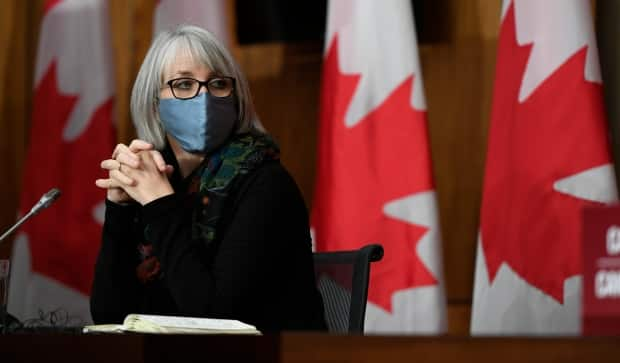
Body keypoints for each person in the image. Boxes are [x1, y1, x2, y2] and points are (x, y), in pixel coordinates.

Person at [90, 25, 326, 332]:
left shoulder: (267, 184)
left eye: (217, 83)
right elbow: (110, 315)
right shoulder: (157, 178)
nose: (204, 97)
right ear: (154, 105)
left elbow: (216, 319)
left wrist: (160, 204)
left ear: (236, 98)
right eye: (184, 84)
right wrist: (119, 210)